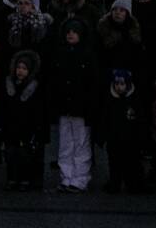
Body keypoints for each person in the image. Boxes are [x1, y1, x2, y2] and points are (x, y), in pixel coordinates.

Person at [50, 17, 97, 193]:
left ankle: (80, 178)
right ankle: (66, 176)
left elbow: (92, 83)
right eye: (68, 31)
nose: (71, 34)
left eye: (74, 32)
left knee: (80, 143)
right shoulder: (61, 53)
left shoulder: (87, 55)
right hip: (65, 105)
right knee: (66, 144)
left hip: (80, 106)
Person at [0, 50, 47, 191]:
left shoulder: (34, 87)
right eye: (18, 68)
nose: (20, 71)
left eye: (24, 69)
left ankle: (25, 178)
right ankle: (12, 178)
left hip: (26, 126)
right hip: (10, 126)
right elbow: (3, 106)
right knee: (10, 153)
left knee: (25, 154)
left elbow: (37, 110)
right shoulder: (8, 84)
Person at [99, 68, 148, 194]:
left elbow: (140, 119)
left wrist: (141, 136)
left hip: (131, 139)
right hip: (114, 139)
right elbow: (105, 119)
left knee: (132, 163)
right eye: (116, 84)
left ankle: (134, 184)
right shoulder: (110, 100)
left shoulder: (134, 100)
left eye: (122, 84)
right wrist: (102, 135)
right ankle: (115, 184)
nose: (119, 87)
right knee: (114, 164)